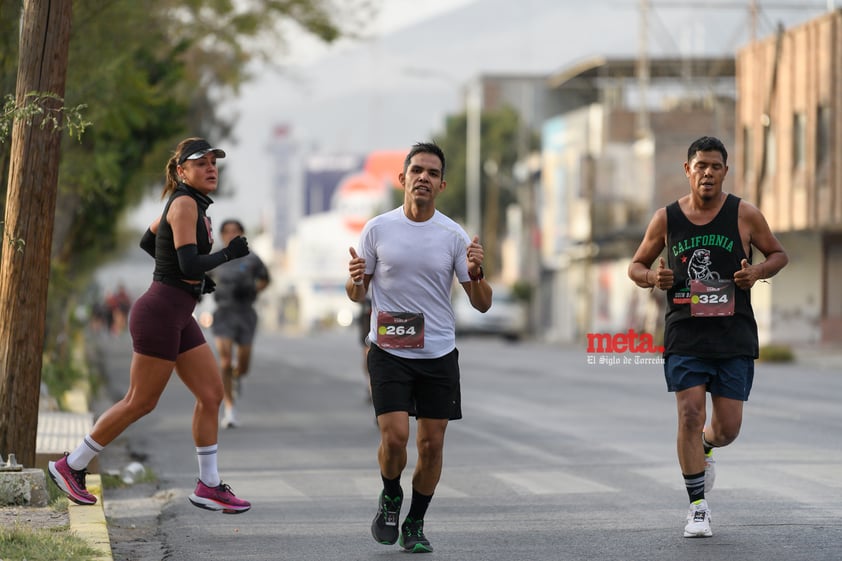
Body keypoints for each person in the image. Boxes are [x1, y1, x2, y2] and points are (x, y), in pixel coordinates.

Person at [48, 137, 252, 514]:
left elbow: (150, 239)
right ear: (181, 171)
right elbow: (189, 263)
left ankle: (208, 485)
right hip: (159, 312)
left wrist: (192, 280)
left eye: (213, 162)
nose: (211, 168)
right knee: (140, 401)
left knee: (211, 394)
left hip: (177, 312)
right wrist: (226, 254)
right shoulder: (186, 202)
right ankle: (71, 465)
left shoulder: (193, 205)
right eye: (200, 162)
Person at [628, 136, 788, 538]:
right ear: (688, 170)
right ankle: (697, 506)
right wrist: (652, 277)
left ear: (725, 172)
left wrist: (757, 273)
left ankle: (707, 446)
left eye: (716, 166)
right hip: (685, 333)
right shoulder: (667, 219)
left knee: (727, 428)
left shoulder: (744, 214)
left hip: (732, 333)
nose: (708, 173)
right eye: (701, 165)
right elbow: (636, 265)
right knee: (689, 413)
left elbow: (778, 254)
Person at [346, 142, 493, 553]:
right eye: (417, 171)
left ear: (441, 184)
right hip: (389, 350)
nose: (423, 178)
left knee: (430, 446)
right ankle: (391, 493)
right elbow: (356, 294)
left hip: (438, 354)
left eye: (432, 173)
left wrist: (478, 272)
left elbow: (482, 304)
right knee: (394, 439)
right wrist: (355, 278)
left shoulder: (453, 235)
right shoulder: (378, 229)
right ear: (403, 179)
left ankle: (416, 520)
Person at [209, 219, 270, 428]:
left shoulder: (252, 259)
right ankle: (229, 409)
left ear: (242, 233)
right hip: (224, 312)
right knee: (225, 361)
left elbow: (265, 280)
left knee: (242, 365)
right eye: (227, 231)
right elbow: (201, 277)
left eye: (235, 231)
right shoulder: (216, 258)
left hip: (245, 313)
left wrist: (254, 289)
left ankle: (237, 377)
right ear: (221, 235)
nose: (231, 234)